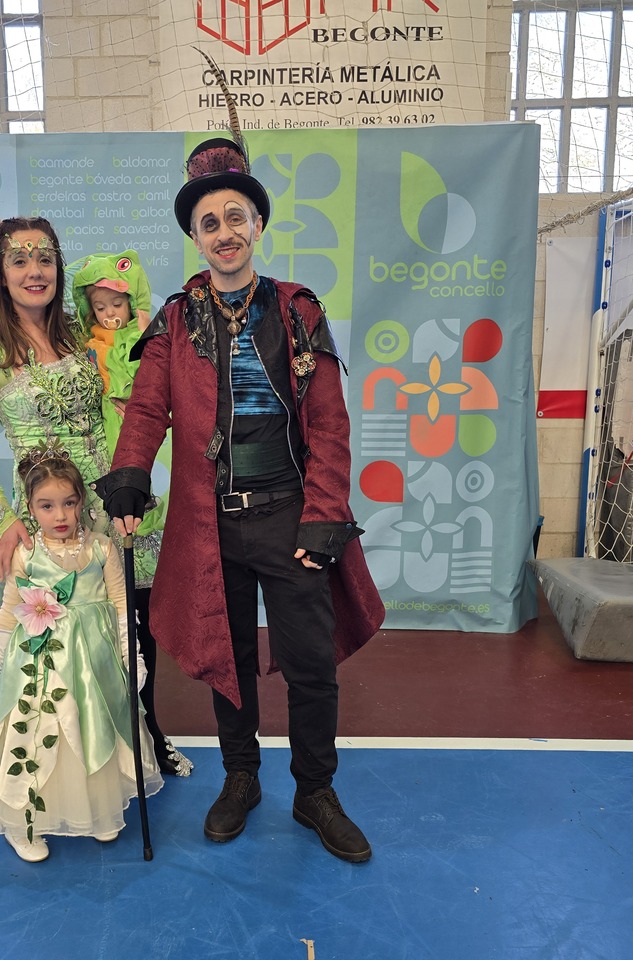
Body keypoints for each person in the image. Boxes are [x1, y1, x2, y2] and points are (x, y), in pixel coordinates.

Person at [94, 138, 386, 863]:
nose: (224, 232)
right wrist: (130, 472)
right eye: (209, 223)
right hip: (210, 522)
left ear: (257, 224)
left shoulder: (296, 310)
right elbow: (146, 410)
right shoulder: (173, 319)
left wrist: (324, 514)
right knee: (226, 656)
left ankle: (315, 791)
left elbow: (329, 423)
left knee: (310, 662)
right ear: (195, 237)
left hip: (290, 515)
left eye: (236, 217)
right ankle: (241, 777)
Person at [0, 217, 192, 776]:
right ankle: (60, 756)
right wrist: (2, 518)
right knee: (58, 633)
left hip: (112, 498)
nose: (34, 271)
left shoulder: (79, 331)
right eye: (20, 260)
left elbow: (124, 374)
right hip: (49, 512)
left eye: (45, 259)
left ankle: (145, 733)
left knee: (131, 623)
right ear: (0, 272)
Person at [0, 448, 162, 862]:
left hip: (93, 665)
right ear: (30, 508)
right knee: (37, 729)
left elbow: (120, 606)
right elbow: (8, 612)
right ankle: (22, 821)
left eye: (69, 503)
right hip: (38, 664)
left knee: (92, 726)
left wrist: (132, 657)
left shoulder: (102, 548)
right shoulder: (26, 554)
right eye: (46, 506)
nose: (60, 515)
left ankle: (98, 810)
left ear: (81, 502)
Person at [72, 251, 191, 778]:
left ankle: (148, 728)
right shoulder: (77, 351)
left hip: (136, 486)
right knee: (86, 619)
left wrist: (144, 407)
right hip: (83, 494)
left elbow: (174, 400)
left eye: (117, 303)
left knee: (137, 618)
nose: (109, 313)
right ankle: (90, 735)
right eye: (99, 306)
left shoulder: (155, 342)